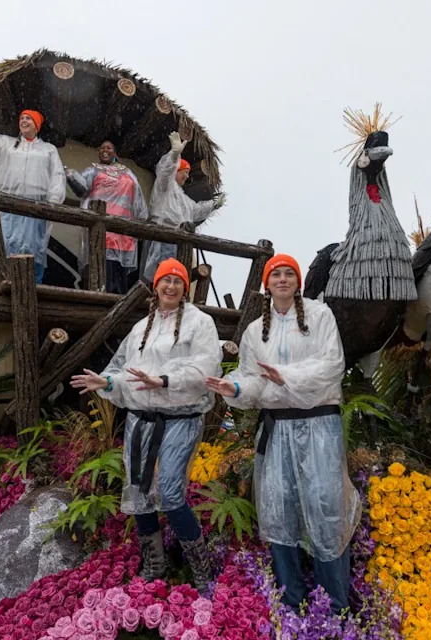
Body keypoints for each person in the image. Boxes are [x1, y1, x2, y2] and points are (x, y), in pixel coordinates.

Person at [205, 254, 361, 614]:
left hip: (319, 426)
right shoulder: (254, 331)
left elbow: (332, 365)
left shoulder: (320, 316)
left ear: (298, 281)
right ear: (267, 284)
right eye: (276, 274)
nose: (283, 279)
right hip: (277, 430)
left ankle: (334, 605)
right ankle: (292, 601)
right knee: (279, 506)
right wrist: (235, 389)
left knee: (325, 505)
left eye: (289, 273)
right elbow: (251, 379)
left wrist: (285, 377)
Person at [70, 258, 220, 592]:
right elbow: (126, 371)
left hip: (179, 419)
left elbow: (205, 368)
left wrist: (163, 380)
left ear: (185, 288)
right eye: (166, 280)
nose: (171, 286)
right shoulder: (141, 329)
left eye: (178, 281)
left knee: (169, 493)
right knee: (139, 492)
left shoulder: (200, 323)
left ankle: (201, 567)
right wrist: (108, 382)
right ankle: (155, 564)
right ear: (156, 286)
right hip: (141, 422)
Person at [0, 94, 66, 283]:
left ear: (37, 125)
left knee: (32, 254)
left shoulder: (48, 150)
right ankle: (3, 290)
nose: (23, 121)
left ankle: (31, 290)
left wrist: (54, 201)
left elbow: (57, 175)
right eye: (22, 118)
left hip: (35, 211)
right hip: (6, 208)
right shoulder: (5, 144)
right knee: (4, 251)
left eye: (28, 118)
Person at [141, 132, 226, 283]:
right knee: (156, 277)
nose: (187, 177)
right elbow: (165, 171)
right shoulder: (164, 187)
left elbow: (196, 211)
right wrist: (174, 155)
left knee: (173, 277)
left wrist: (213, 205)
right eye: (185, 172)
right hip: (161, 237)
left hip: (177, 242)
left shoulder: (184, 198)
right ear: (176, 171)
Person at [66, 141, 149, 293]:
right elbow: (81, 189)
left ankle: (118, 304)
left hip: (123, 234)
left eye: (108, 148)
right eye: (102, 148)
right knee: (102, 275)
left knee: (120, 281)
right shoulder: (92, 171)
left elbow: (139, 203)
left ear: (115, 152)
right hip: (100, 232)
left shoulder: (128, 174)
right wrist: (71, 175)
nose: (105, 150)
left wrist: (140, 223)